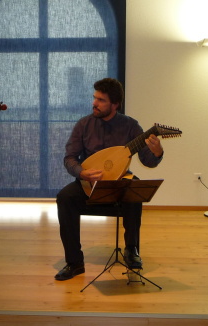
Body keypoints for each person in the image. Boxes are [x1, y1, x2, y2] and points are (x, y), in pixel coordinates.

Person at [55, 77, 164, 281]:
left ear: (115, 104)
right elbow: (69, 158)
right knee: (65, 197)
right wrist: (82, 172)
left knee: (135, 191)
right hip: (89, 184)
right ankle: (74, 262)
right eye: (94, 98)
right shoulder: (84, 124)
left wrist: (157, 152)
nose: (94, 103)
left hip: (118, 182)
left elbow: (148, 161)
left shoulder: (130, 126)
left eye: (101, 100)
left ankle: (131, 251)